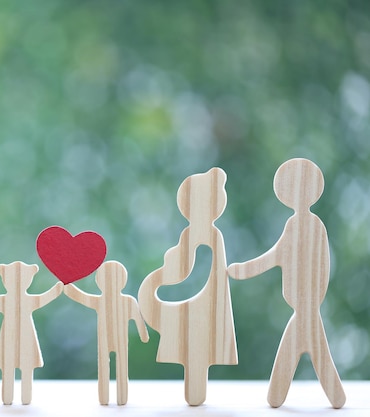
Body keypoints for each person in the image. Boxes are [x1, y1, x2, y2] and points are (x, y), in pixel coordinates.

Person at [228, 158, 346, 409]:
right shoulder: (295, 225)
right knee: (314, 349)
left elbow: (320, 265)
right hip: (305, 306)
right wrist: (244, 270)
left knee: (304, 349)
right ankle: (331, 397)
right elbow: (277, 256)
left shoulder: (313, 226)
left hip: (307, 306)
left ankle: (288, 396)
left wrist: (313, 301)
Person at [138, 167, 237, 406]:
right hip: (205, 305)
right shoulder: (206, 235)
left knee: (196, 347)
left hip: (205, 307)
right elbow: (182, 269)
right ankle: (195, 392)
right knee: (195, 349)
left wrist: (169, 268)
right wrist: (171, 266)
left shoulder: (206, 236)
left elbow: (183, 270)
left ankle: (195, 392)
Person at [64, 261, 149, 405]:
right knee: (107, 367)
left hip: (119, 341)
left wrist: (143, 334)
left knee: (119, 368)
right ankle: (105, 397)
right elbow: (80, 296)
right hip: (106, 341)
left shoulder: (128, 301)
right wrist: (66, 285)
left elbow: (138, 320)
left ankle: (119, 397)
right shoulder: (111, 301)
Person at [0, 261, 63, 405]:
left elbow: (44, 298)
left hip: (25, 338)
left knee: (26, 367)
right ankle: (9, 397)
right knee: (8, 368)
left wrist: (58, 287)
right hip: (8, 339)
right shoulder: (1, 300)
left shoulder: (23, 300)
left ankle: (25, 398)